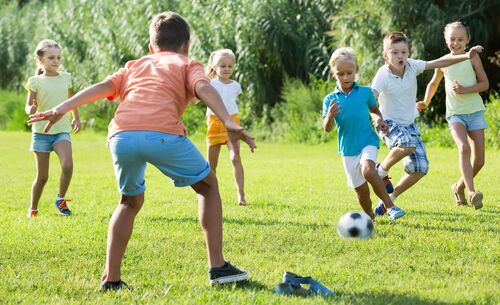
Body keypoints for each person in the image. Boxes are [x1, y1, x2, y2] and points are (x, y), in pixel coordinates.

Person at [28, 12, 256, 290]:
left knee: (129, 202)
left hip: (121, 136)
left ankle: (111, 279)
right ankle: (218, 267)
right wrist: (228, 120)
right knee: (208, 186)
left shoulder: (135, 65)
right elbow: (203, 87)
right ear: (186, 45)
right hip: (162, 134)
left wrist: (61, 107)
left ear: (151, 47)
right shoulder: (187, 62)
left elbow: (102, 87)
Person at [370, 31, 483, 216]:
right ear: (385, 55)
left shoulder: (412, 66)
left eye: (404, 52)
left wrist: (467, 55)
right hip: (388, 123)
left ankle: (390, 199)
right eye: (395, 52)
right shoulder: (383, 74)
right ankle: (380, 171)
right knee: (407, 144)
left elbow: (440, 63)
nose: (400, 56)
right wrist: (378, 119)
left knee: (421, 168)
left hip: (408, 124)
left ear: (408, 52)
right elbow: (371, 102)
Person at [322, 47, 405, 220]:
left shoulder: (365, 92)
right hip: (348, 149)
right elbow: (327, 128)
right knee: (361, 192)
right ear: (333, 73)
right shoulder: (330, 99)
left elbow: (374, 109)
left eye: (349, 73)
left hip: (367, 140)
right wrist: (330, 116)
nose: (345, 77)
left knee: (367, 170)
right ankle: (370, 216)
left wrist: (378, 120)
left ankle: (390, 207)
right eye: (340, 74)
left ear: (356, 70)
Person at [417, 22, 488, 209]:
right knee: (463, 147)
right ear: (446, 40)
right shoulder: (443, 62)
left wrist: (466, 89)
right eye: (452, 39)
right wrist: (425, 102)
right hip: (455, 114)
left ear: (467, 41)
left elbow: (484, 84)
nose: (456, 43)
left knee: (479, 160)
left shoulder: (472, 58)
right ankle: (472, 192)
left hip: (475, 111)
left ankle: (458, 187)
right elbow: (433, 84)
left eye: (460, 39)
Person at [25, 39, 80, 218]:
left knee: (68, 164)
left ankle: (61, 198)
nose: (56, 61)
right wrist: (30, 109)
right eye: (51, 57)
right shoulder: (34, 81)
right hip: (41, 133)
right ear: (40, 59)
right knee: (42, 177)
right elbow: (28, 105)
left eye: (58, 57)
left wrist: (76, 119)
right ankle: (33, 208)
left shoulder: (66, 78)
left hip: (61, 131)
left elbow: (72, 102)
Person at [205, 49, 248, 206]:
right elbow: (198, 100)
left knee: (235, 158)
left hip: (232, 123)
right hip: (214, 124)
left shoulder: (236, 86)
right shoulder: (208, 83)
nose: (226, 69)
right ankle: (211, 196)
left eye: (230, 66)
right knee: (211, 165)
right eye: (222, 65)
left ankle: (241, 195)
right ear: (214, 66)